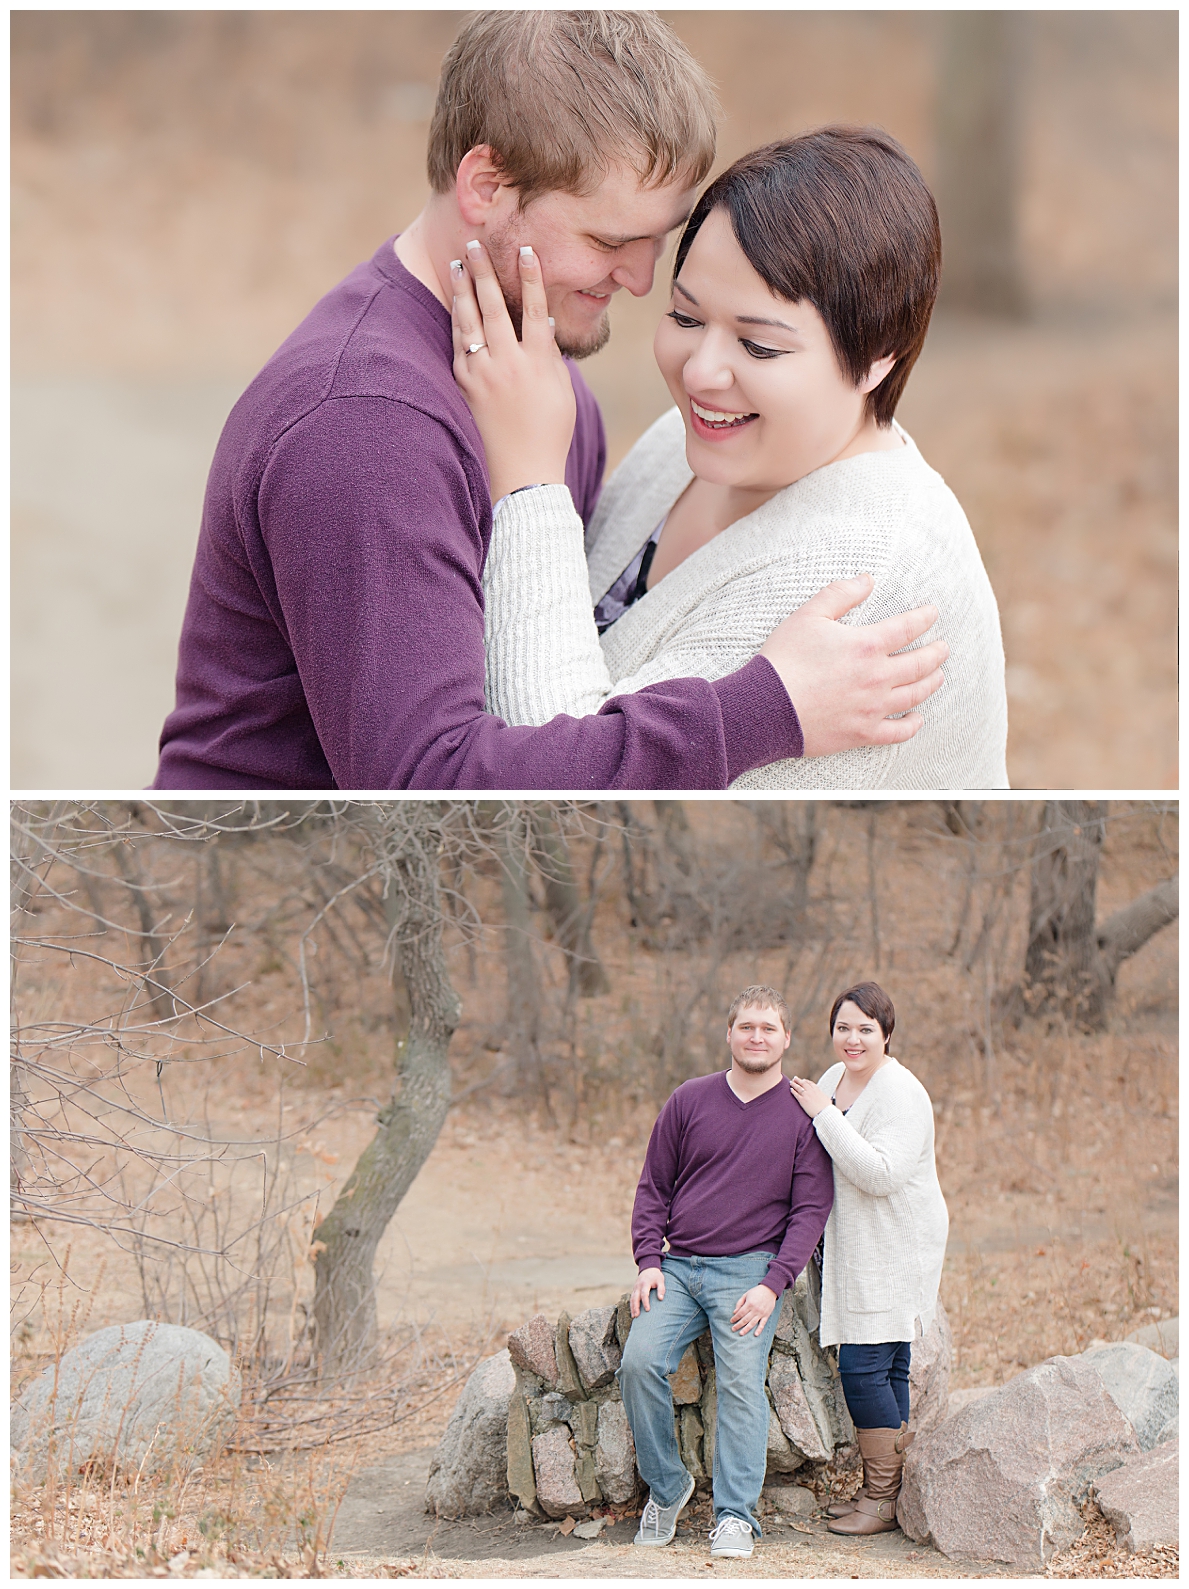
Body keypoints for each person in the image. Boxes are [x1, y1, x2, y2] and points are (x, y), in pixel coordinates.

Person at [152, 12, 947, 791]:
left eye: (657, 241)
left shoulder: (536, 385)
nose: (640, 280)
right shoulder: (363, 422)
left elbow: (553, 676)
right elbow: (430, 783)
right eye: (608, 241)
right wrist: (764, 708)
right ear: (486, 186)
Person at [452, 125, 1007, 788]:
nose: (701, 373)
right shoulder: (684, 442)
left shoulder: (856, 582)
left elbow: (552, 773)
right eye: (685, 317)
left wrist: (528, 480)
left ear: (875, 359)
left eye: (759, 346)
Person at [621, 986, 834, 1559]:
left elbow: (811, 1210)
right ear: (730, 1034)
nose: (756, 1037)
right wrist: (647, 1261)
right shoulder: (689, 1099)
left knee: (741, 1380)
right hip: (678, 1267)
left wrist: (773, 1283)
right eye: (746, 1027)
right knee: (639, 1363)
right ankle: (667, 1490)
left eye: (768, 1028)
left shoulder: (802, 1115)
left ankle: (736, 1515)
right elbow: (652, 1188)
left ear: (787, 1038)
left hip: (748, 1272)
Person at [789, 982, 949, 1535]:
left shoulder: (901, 1092)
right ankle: (884, 1489)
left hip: (894, 1243)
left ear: (887, 1034)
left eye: (865, 1029)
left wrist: (822, 1115)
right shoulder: (834, 1079)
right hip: (857, 1241)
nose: (852, 1039)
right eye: (843, 1028)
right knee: (889, 1365)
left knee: (863, 1367)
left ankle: (881, 1499)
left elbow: (880, 1174)